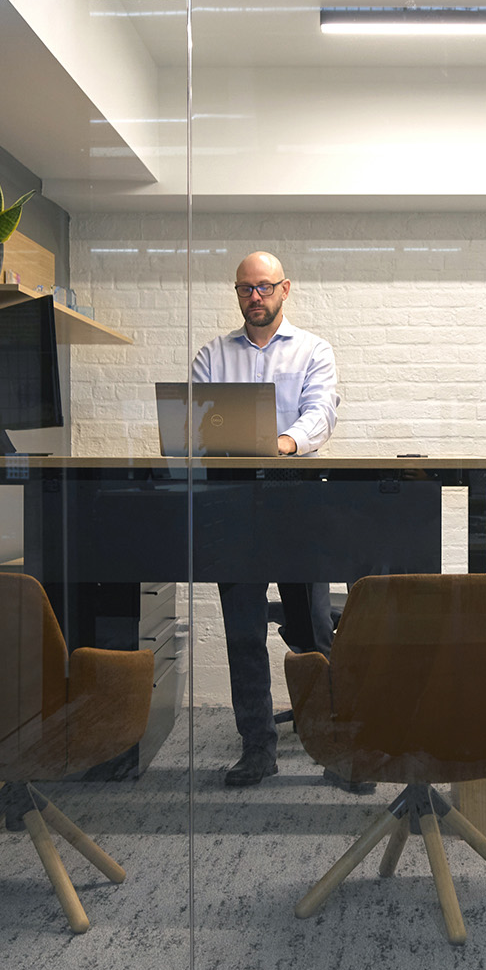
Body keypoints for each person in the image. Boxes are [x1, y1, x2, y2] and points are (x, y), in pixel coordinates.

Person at [190, 252, 347, 788]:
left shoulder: (313, 351)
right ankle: (257, 748)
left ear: (284, 290)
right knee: (242, 634)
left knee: (313, 632)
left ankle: (337, 748)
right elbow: (196, 424)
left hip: (295, 501)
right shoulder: (213, 354)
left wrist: (279, 444)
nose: (253, 297)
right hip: (231, 506)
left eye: (263, 288)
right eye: (244, 289)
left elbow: (320, 414)